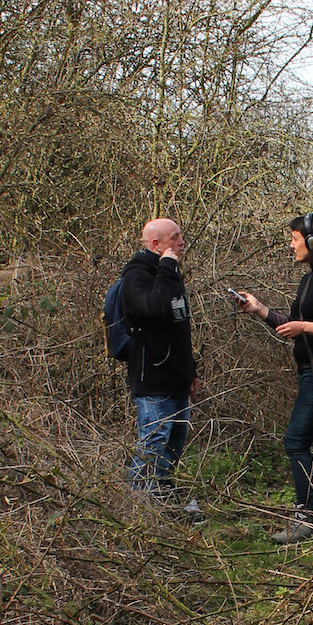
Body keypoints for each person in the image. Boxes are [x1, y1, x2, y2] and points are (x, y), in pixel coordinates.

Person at [238, 212, 313, 543]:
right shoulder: (309, 279)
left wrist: (304, 327)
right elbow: (293, 324)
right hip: (312, 371)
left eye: (294, 238)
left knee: (295, 441)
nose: (290, 245)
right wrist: (260, 309)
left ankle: (306, 517)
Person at [120, 217, 201, 516]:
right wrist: (167, 267)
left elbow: (180, 327)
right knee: (153, 442)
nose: (182, 243)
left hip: (177, 378)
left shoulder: (169, 273)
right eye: (175, 238)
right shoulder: (137, 275)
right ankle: (137, 507)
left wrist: (190, 369)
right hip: (153, 379)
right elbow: (153, 308)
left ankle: (162, 500)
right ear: (156, 244)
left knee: (174, 442)